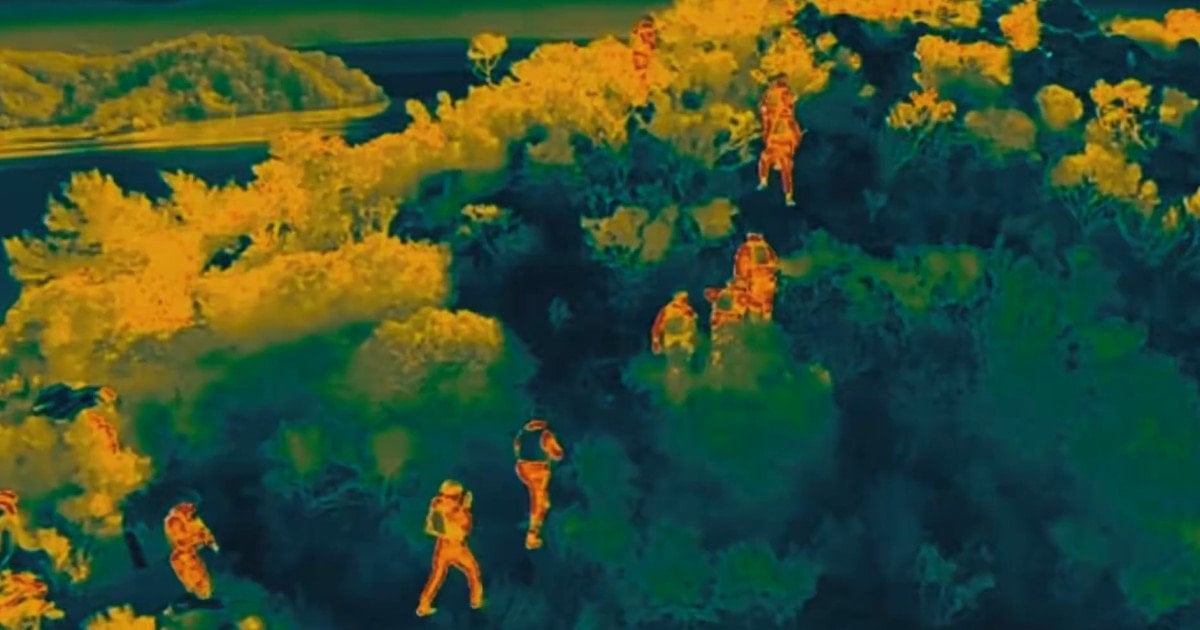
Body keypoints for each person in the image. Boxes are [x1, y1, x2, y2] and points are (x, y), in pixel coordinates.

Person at [416, 480, 484, 617]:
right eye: (451, 497)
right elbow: (436, 528)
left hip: (450, 547)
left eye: (454, 497)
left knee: (467, 571)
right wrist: (462, 510)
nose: (449, 500)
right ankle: (476, 600)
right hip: (452, 547)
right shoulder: (440, 508)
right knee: (468, 571)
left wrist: (464, 508)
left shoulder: (443, 507)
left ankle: (476, 600)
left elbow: (463, 526)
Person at [512, 418, 565, 550]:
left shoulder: (523, 432)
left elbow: (516, 449)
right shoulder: (545, 434)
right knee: (538, 502)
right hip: (537, 470)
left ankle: (539, 521)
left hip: (522, 468)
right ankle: (532, 536)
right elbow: (557, 453)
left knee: (542, 499)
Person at [756, 79, 804, 206]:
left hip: (777, 118)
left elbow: (764, 159)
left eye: (776, 166)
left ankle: (764, 180)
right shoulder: (785, 158)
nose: (778, 166)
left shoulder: (770, 153)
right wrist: (788, 197)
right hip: (782, 119)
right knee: (781, 105)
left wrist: (763, 180)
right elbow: (787, 177)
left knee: (775, 104)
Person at [163, 501, 219, 601]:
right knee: (193, 575)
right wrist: (198, 540)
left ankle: (205, 595)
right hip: (184, 556)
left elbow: (202, 530)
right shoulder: (174, 521)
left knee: (200, 573)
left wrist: (210, 542)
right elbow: (181, 541)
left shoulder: (193, 519)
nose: (191, 510)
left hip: (193, 553)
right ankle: (199, 595)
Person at [703, 278, 752, 366]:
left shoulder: (727, 295)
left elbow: (739, 313)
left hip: (729, 329)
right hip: (726, 330)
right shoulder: (725, 297)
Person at [733, 233, 781, 320]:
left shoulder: (745, 249)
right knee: (766, 304)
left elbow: (741, 267)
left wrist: (741, 280)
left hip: (757, 282)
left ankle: (759, 322)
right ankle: (765, 320)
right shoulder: (766, 247)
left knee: (755, 304)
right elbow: (775, 263)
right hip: (767, 282)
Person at [650, 291, 699, 373]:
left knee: (683, 362)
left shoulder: (689, 311)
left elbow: (693, 328)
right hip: (672, 341)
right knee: (675, 362)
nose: (684, 301)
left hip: (685, 341)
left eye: (685, 299)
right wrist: (655, 340)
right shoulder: (667, 310)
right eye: (682, 298)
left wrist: (693, 342)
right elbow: (657, 326)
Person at [631, 15, 658, 103]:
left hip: (636, 54)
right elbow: (653, 43)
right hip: (644, 54)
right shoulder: (649, 31)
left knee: (639, 75)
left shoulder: (637, 31)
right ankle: (643, 99)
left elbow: (632, 41)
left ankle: (639, 98)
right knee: (644, 76)